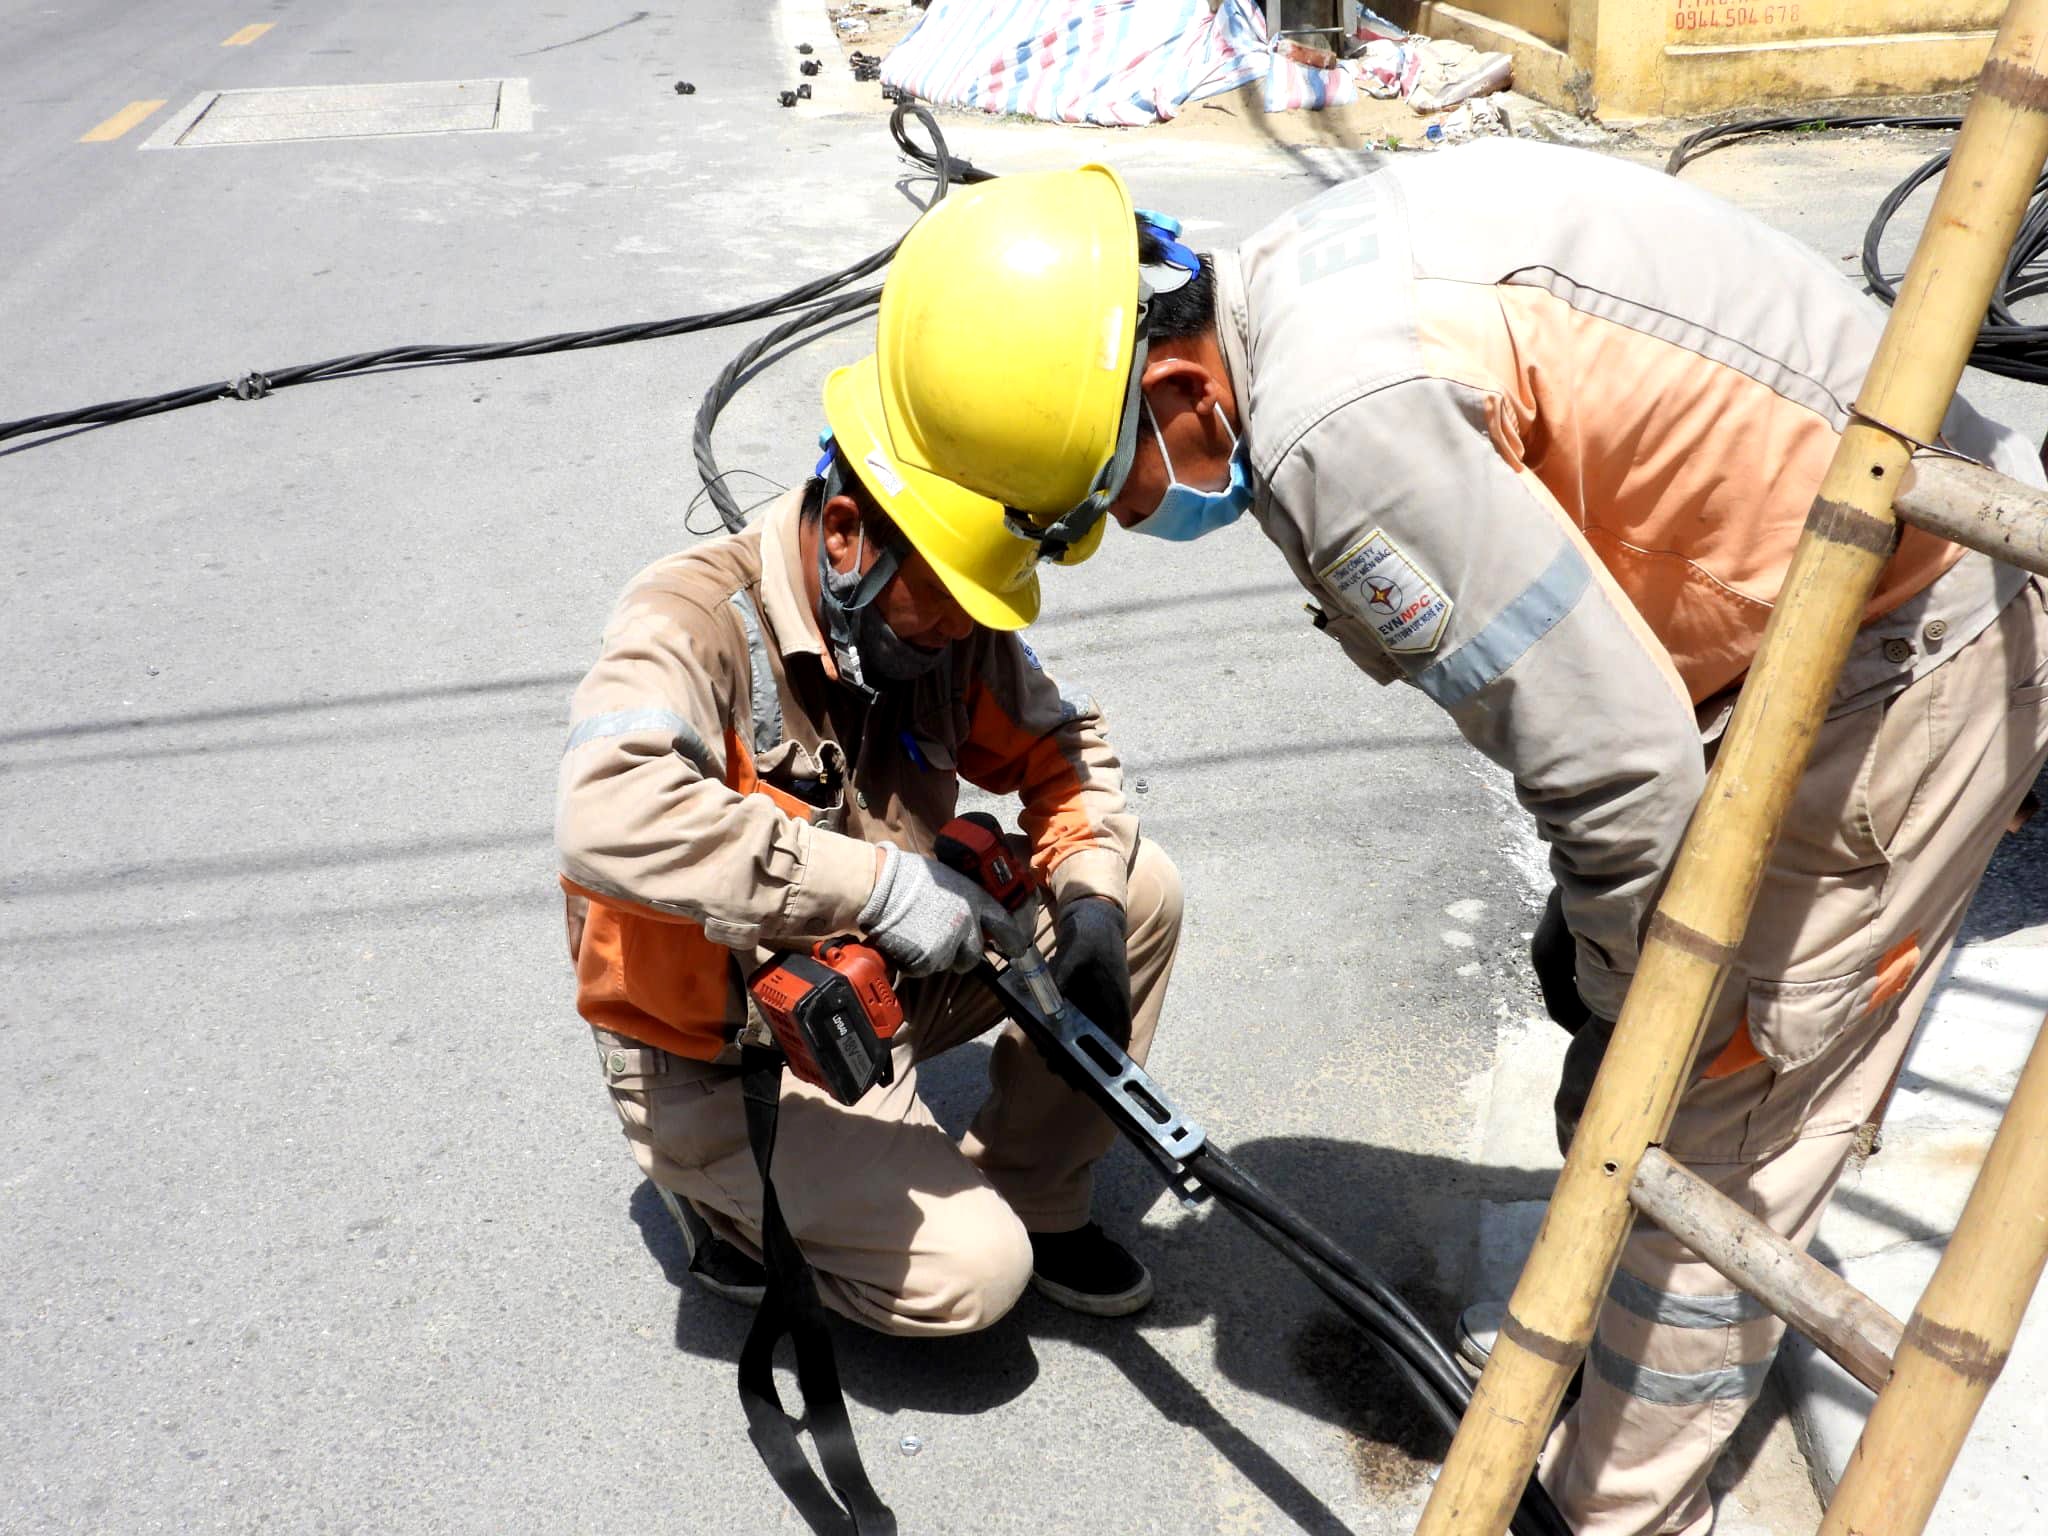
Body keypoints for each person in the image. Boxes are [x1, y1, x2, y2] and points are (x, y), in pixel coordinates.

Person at [862, 141, 2048, 1534]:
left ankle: (1614, 1510)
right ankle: (1582, 1365)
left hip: (1912, 629)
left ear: (1178, 389)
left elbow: (1619, 773)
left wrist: (1630, 993)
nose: (1132, 525)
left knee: (1719, 1122)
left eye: (1105, 500)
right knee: (1628, 1082)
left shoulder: (1334, 426)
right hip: (1783, 621)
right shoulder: (1303, 272)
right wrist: (1606, 920)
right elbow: (1604, 696)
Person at [555, 352, 1182, 1333]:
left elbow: (1061, 747)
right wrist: (882, 887)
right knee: (971, 1279)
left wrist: (1091, 899)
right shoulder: (685, 624)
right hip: (725, 1057)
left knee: (1138, 884)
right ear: (844, 534)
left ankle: (1035, 1196)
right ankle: (727, 1207)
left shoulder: (940, 618)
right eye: (938, 608)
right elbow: (607, 814)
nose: (956, 635)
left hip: (873, 987)